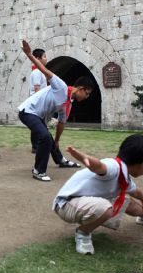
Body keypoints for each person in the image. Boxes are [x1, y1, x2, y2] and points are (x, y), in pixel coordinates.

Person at [52, 134, 143, 255]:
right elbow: (98, 166)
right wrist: (82, 157)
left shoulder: (124, 175)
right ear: (142, 164)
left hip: (82, 203)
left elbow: (135, 191)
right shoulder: (113, 166)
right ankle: (83, 233)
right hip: (65, 204)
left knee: (125, 200)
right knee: (105, 208)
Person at [18, 40, 92, 182]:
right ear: (81, 89)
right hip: (28, 111)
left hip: (38, 116)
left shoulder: (68, 103)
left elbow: (61, 124)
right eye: (87, 93)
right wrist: (29, 54)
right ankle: (38, 170)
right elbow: (43, 70)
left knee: (50, 139)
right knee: (45, 137)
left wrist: (57, 141)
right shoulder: (61, 86)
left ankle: (61, 160)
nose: (87, 97)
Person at [29, 48, 48, 154]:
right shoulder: (37, 72)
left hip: (40, 101)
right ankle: (35, 146)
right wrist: (40, 103)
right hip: (37, 102)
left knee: (39, 124)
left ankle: (38, 145)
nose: (46, 59)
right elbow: (37, 89)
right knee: (37, 125)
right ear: (37, 58)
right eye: (44, 56)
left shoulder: (40, 71)